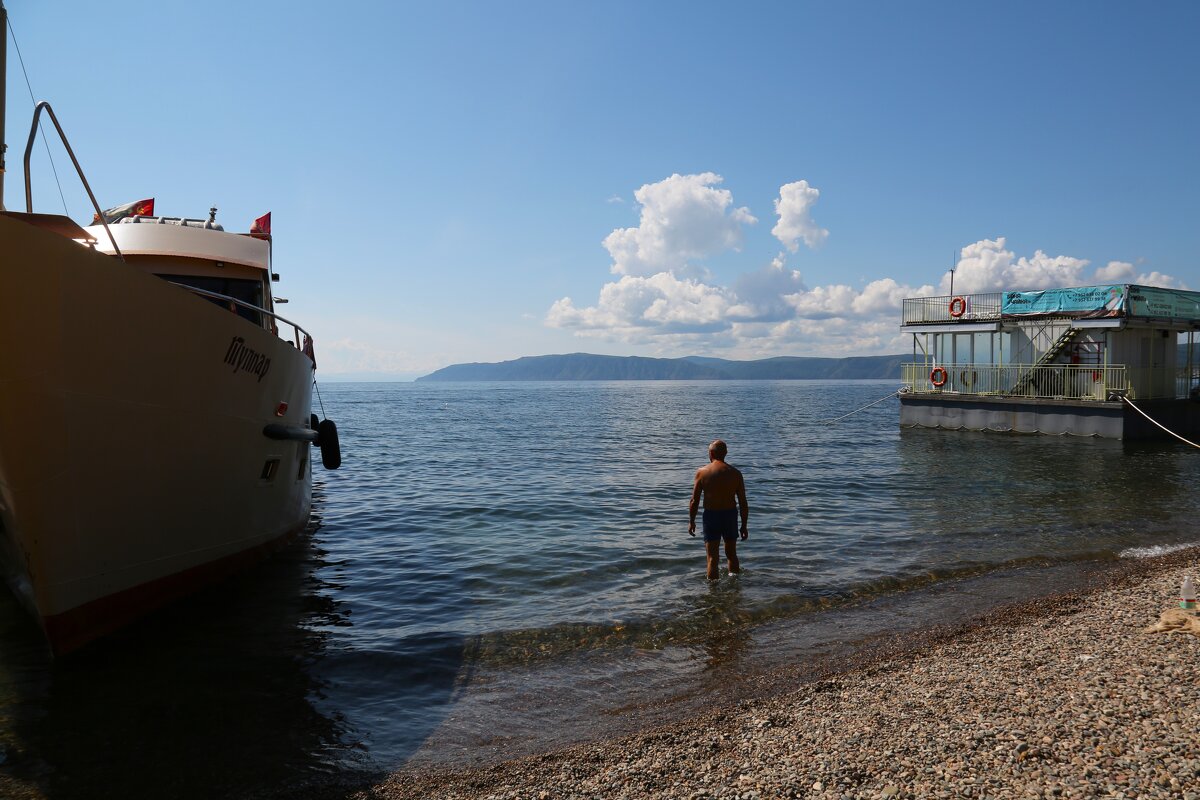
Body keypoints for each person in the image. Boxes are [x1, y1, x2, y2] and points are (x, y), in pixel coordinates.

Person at [688, 439, 749, 580]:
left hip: (711, 516)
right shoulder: (735, 473)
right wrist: (744, 526)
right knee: (732, 555)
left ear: (710, 453)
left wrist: (691, 521)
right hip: (730, 515)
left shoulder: (702, 472)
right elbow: (743, 503)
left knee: (712, 558)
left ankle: (713, 593)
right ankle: (734, 587)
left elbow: (694, 501)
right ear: (726, 453)